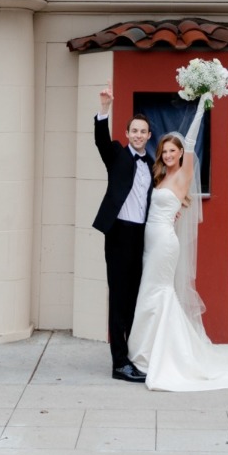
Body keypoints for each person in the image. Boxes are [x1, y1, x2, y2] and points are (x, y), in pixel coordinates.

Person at [127, 94, 228, 391]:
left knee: (157, 292)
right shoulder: (161, 175)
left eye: (174, 151)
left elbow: (191, 140)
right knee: (150, 291)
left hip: (163, 243)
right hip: (151, 241)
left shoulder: (183, 176)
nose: (170, 155)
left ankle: (163, 352)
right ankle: (148, 347)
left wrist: (201, 107)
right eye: (166, 151)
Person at [93, 85, 152, 382]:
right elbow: (101, 141)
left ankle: (132, 353)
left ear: (149, 136)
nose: (139, 135)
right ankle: (119, 364)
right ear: (128, 134)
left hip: (141, 236)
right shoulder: (117, 154)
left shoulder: (152, 165)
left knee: (134, 298)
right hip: (118, 235)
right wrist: (104, 110)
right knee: (118, 298)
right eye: (135, 131)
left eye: (144, 131)